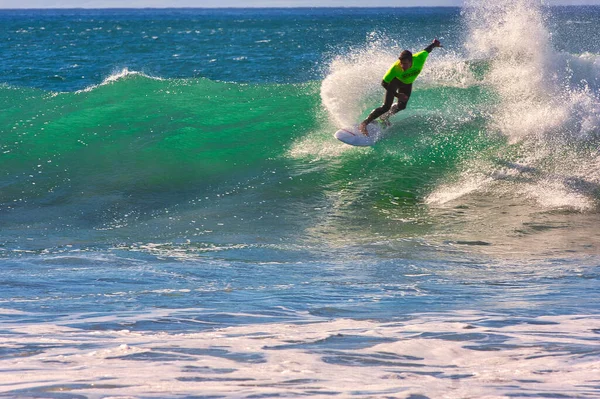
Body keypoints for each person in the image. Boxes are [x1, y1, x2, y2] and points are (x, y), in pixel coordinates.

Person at [359, 38, 443, 136]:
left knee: (402, 106)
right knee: (386, 106)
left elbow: (427, 50)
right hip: (395, 82)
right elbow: (384, 83)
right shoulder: (395, 69)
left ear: (412, 61)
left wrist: (434, 44)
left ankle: (384, 117)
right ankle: (364, 123)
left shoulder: (420, 58)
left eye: (405, 64)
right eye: (401, 63)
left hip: (408, 83)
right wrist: (397, 95)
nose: (402, 66)